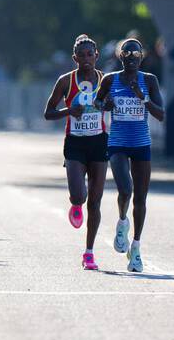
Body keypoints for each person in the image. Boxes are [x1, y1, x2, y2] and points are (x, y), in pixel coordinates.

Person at [96, 37, 165, 273]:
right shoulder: (110, 79)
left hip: (141, 144)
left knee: (141, 198)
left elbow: (161, 114)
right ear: (120, 56)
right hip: (117, 143)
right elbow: (97, 102)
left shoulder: (149, 81)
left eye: (136, 55)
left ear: (142, 57)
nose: (132, 59)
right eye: (127, 55)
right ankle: (122, 221)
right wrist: (106, 104)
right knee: (125, 189)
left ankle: (135, 248)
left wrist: (142, 97)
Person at [43, 34, 109, 270]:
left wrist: (107, 104)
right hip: (75, 143)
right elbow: (48, 113)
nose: (86, 59)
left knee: (96, 202)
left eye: (90, 54)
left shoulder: (105, 80)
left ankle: (89, 253)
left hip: (99, 142)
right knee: (79, 196)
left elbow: (112, 104)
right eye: (81, 56)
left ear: (96, 56)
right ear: (75, 58)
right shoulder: (65, 81)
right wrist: (69, 111)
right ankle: (75, 204)